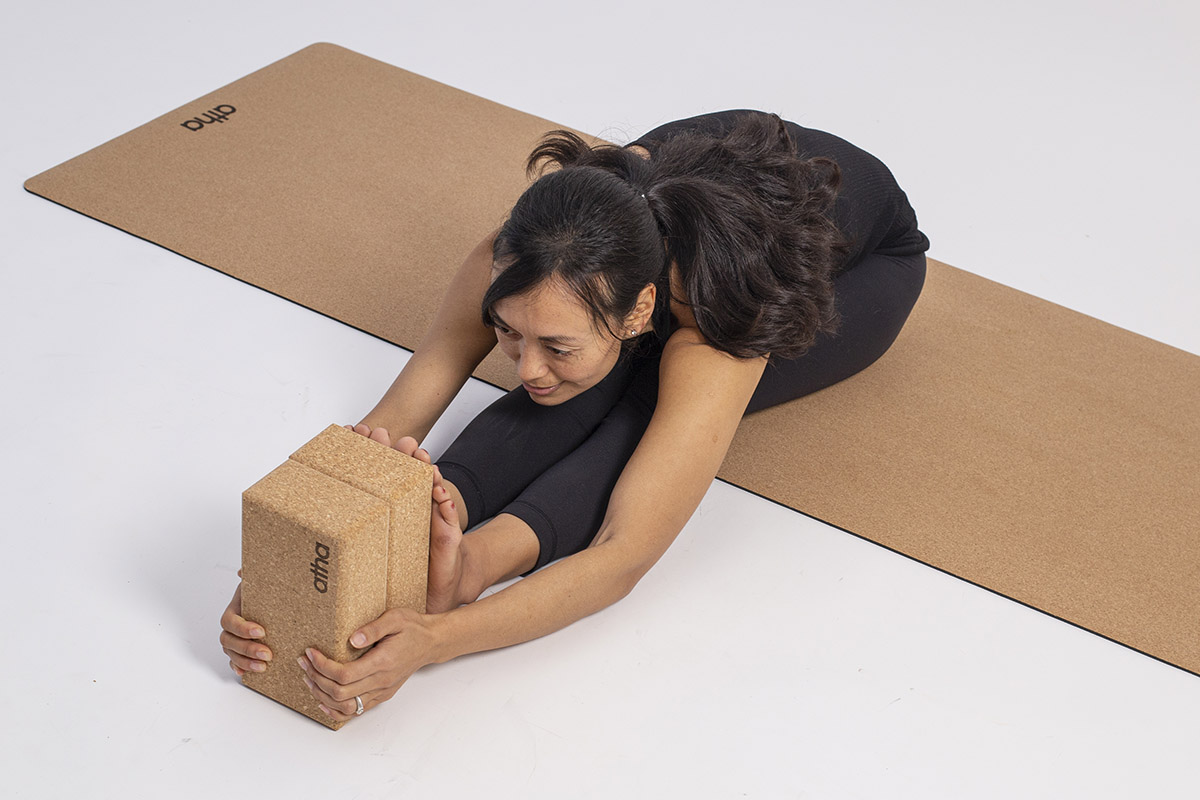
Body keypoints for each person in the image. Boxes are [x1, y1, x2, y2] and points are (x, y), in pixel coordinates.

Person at [219, 110, 930, 723]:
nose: (523, 367)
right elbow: (384, 429)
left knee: (637, 401)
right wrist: (277, 579)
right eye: (507, 333)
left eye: (553, 343)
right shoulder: (514, 259)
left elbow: (623, 554)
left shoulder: (715, 327)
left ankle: (472, 561)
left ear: (640, 309)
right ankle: (449, 521)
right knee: (569, 382)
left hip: (866, 256)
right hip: (707, 177)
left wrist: (444, 633)